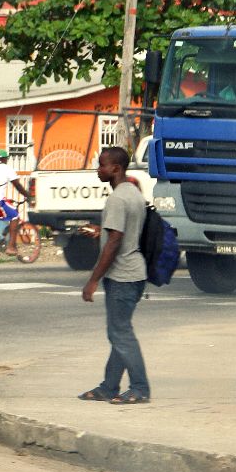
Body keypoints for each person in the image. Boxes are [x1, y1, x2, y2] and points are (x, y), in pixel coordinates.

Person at [77, 146, 150, 404]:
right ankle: (109, 387)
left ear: (116, 169)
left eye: (102, 165)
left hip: (123, 276)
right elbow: (122, 232)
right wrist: (102, 231)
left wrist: (93, 279)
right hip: (135, 273)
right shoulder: (134, 193)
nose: (98, 170)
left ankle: (140, 388)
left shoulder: (118, 199)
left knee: (120, 333)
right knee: (119, 332)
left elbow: (115, 241)